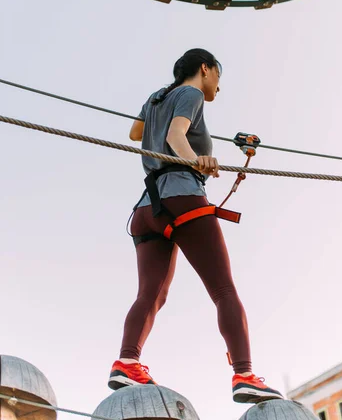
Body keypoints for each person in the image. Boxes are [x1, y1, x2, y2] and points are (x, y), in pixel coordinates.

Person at [108, 48, 283, 404]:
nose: (218, 84)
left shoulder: (157, 97)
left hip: (148, 207)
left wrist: (160, 125)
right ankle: (245, 374)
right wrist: (198, 162)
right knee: (223, 290)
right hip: (182, 195)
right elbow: (175, 137)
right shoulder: (190, 93)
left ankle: (127, 362)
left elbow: (134, 132)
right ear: (205, 69)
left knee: (152, 295)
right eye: (217, 75)